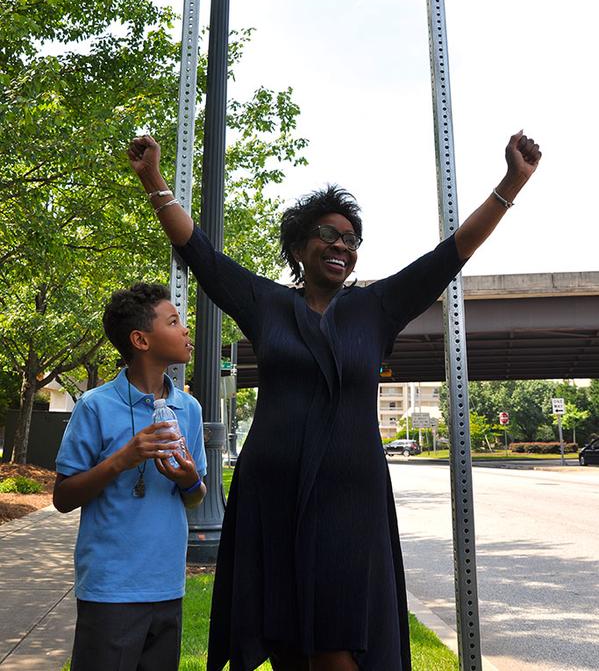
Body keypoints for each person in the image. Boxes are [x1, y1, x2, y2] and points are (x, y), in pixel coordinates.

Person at [128, 130, 541, 671]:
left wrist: (512, 182)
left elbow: (452, 253)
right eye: (329, 234)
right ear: (299, 247)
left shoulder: (377, 308)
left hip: (349, 501)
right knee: (286, 642)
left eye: (351, 240)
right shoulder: (267, 303)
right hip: (270, 496)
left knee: (337, 645)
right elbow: (198, 251)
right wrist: (154, 177)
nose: (343, 245)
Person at [53, 282, 207, 671]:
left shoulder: (187, 408)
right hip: (110, 590)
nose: (185, 329)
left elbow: (196, 497)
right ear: (140, 339)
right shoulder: (95, 406)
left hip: (167, 585)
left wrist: (189, 480)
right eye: (173, 321)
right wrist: (122, 459)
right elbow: (63, 497)